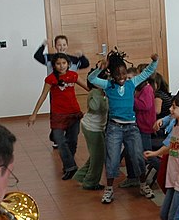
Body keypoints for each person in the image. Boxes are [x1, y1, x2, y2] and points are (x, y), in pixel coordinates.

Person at [89, 49, 158, 204]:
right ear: (112, 75)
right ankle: (109, 189)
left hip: (131, 128)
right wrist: (100, 68)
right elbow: (91, 78)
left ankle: (143, 184)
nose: (121, 77)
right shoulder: (107, 85)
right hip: (114, 127)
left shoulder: (131, 83)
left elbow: (148, 72)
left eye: (124, 73)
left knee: (137, 156)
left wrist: (154, 61)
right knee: (112, 159)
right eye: (118, 74)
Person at [27, 53, 88, 180]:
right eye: (58, 64)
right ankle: (71, 167)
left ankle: (68, 166)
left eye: (64, 63)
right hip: (58, 115)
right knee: (60, 141)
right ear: (54, 65)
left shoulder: (73, 75)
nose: (61, 66)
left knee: (72, 142)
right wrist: (34, 114)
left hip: (74, 114)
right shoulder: (50, 79)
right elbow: (43, 96)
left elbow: (88, 88)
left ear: (68, 64)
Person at [74, 71, 107, 191]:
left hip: (97, 127)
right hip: (92, 128)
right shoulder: (95, 92)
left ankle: (81, 175)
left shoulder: (101, 92)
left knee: (96, 154)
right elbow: (95, 107)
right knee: (98, 156)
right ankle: (90, 182)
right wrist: (104, 98)